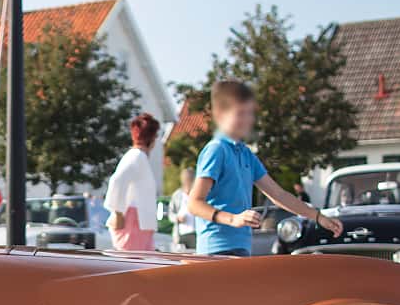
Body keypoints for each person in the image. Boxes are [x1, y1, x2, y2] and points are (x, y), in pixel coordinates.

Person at [186, 80, 340, 256]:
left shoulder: (246, 154)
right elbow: (194, 203)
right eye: (241, 113)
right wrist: (233, 219)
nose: (248, 120)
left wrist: (318, 217)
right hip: (215, 249)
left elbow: (279, 195)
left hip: (241, 247)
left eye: (250, 113)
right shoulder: (216, 150)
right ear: (220, 114)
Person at [105, 113, 162, 251]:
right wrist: (118, 212)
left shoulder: (138, 157)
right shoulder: (136, 156)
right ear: (152, 138)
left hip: (140, 223)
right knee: (134, 266)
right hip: (133, 223)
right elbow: (117, 180)